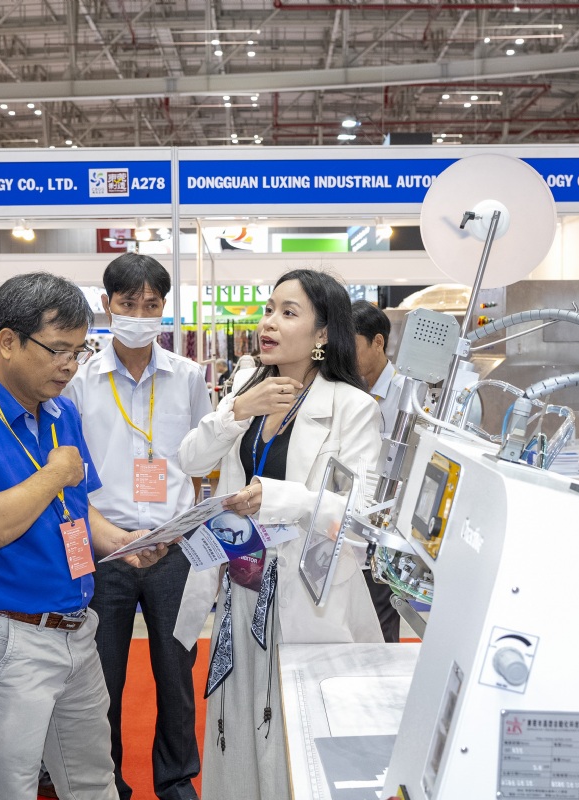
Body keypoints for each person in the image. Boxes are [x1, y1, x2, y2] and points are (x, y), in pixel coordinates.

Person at [0, 271, 167, 800]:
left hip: (77, 627)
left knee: (94, 780)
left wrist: (121, 542)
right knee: (3, 787)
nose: (69, 365)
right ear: (8, 342)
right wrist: (54, 473)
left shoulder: (62, 412)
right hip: (9, 636)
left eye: (78, 351)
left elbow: (78, 510)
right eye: (58, 349)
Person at [175, 269, 384, 800]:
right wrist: (237, 409)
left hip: (306, 597)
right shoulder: (247, 386)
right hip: (242, 587)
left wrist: (276, 497)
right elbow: (190, 460)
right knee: (239, 724)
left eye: (289, 313)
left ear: (322, 335)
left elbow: (360, 515)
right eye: (269, 309)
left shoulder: (352, 407)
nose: (269, 322)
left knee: (295, 731)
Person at [64, 253, 211, 800]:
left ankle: (176, 780)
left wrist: (185, 523)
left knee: (176, 673)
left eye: (152, 305)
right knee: (102, 678)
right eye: (129, 304)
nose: (141, 315)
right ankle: (109, 783)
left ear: (164, 307)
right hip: (107, 550)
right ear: (107, 305)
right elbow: (70, 471)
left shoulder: (188, 376)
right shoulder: (80, 381)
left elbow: (200, 459)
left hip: (173, 546)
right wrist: (108, 537)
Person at [351, 300, 406, 644]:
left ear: (378, 342)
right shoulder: (349, 390)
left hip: (386, 524)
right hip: (351, 519)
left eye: (352, 345)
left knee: (381, 619)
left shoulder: (407, 395)